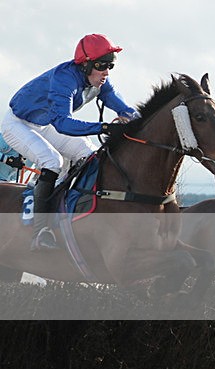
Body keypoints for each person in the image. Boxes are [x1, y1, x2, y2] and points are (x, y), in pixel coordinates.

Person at [1, 33, 140, 251]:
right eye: (102, 65)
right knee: (52, 161)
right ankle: (40, 231)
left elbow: (123, 108)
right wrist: (104, 127)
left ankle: (70, 213)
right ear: (85, 65)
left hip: (44, 123)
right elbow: (63, 124)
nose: (106, 72)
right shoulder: (64, 80)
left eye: (110, 66)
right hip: (18, 124)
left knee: (90, 154)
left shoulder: (100, 80)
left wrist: (140, 122)